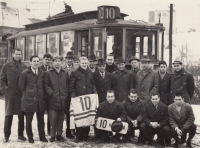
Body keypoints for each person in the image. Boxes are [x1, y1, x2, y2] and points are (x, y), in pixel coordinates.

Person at [18, 55, 48, 143]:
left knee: (41, 120)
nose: (36, 63)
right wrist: (28, 94)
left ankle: (42, 136)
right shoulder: (24, 73)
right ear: (30, 62)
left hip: (40, 100)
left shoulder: (43, 73)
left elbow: (44, 85)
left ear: (39, 62)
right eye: (34, 61)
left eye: (37, 61)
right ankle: (30, 137)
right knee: (28, 121)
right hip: (29, 101)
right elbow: (21, 87)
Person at [0, 48, 27, 143]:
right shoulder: (6, 66)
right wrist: (5, 89)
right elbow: (2, 79)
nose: (18, 56)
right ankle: (6, 135)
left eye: (20, 54)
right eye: (16, 54)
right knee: (9, 115)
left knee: (21, 115)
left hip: (20, 94)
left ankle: (20, 134)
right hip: (10, 94)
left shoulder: (24, 66)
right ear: (12, 54)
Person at [69, 56, 96, 143]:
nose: (84, 65)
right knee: (79, 117)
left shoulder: (90, 73)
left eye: (85, 63)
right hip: (79, 99)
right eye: (82, 63)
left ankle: (85, 135)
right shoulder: (75, 73)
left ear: (87, 64)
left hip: (88, 98)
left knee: (87, 116)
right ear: (80, 64)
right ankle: (78, 136)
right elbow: (71, 86)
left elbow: (93, 84)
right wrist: (73, 96)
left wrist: (94, 93)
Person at [44, 56, 69, 142]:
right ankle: (52, 135)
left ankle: (59, 134)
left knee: (60, 119)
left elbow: (67, 84)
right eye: (55, 61)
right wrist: (52, 93)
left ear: (61, 62)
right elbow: (46, 85)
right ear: (52, 63)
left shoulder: (65, 73)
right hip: (53, 100)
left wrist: (65, 94)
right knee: (53, 119)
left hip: (62, 99)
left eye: (59, 61)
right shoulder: (48, 73)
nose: (57, 63)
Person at [39, 53, 52, 135]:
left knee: (50, 113)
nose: (47, 61)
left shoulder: (51, 69)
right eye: (46, 59)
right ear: (43, 60)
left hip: (50, 94)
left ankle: (49, 130)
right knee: (41, 114)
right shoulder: (40, 69)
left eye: (49, 60)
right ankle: (41, 131)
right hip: (42, 94)